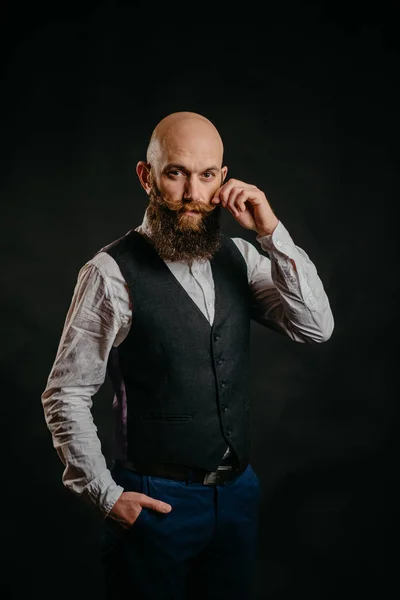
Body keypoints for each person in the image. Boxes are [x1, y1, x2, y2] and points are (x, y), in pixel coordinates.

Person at [41, 111, 334, 599]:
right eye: (176, 173)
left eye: (206, 175)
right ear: (147, 176)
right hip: (156, 503)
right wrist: (105, 496)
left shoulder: (242, 257)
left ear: (222, 178)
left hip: (236, 497)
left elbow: (316, 327)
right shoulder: (109, 272)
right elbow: (66, 393)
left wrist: (271, 232)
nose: (193, 194)